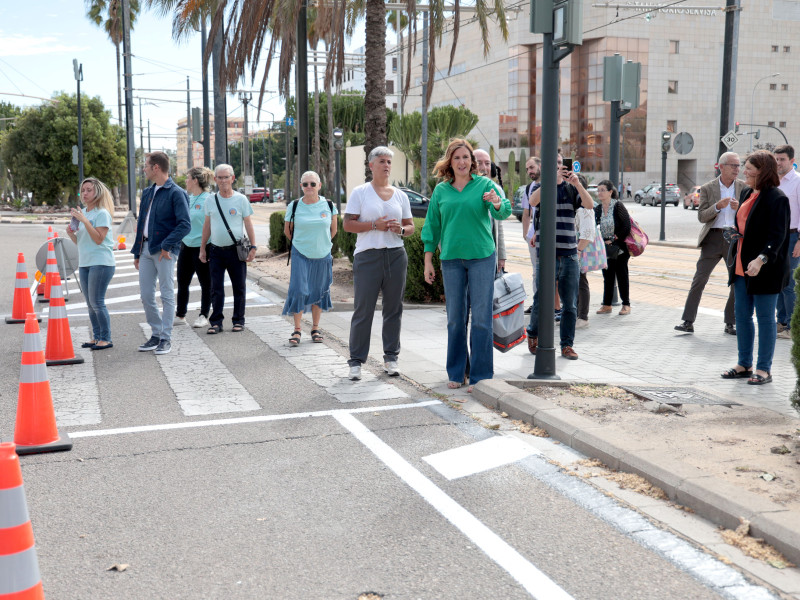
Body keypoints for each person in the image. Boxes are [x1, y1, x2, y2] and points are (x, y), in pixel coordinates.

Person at [422, 139, 510, 391]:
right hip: (451, 260)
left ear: (473, 161)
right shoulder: (441, 191)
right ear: (450, 162)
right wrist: (428, 259)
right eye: (457, 157)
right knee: (455, 319)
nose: (462, 162)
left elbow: (503, 212)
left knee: (481, 319)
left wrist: (495, 202)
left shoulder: (485, 185)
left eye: (466, 157)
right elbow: (432, 227)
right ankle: (457, 371)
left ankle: (481, 376)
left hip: (482, 257)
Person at [344, 147, 414, 380]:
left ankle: (391, 358)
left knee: (393, 310)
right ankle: (356, 361)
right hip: (368, 257)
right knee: (363, 310)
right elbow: (348, 225)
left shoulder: (401, 195)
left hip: (395, 255)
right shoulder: (360, 192)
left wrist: (400, 229)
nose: (386, 165)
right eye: (381, 161)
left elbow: (410, 226)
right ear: (371, 165)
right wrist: (375, 225)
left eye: (389, 162)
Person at [722, 150, 789, 385]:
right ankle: (744, 364)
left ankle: (763, 369)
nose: (744, 172)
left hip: (764, 268)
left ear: (763, 171)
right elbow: (747, 224)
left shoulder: (777, 198)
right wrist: (735, 232)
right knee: (741, 316)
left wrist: (761, 259)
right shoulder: (749, 192)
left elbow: (778, 236)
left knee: (765, 318)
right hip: (741, 266)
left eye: (749, 168)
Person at [526, 154, 594, 359]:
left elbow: (590, 205)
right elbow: (532, 201)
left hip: (569, 254)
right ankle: (533, 334)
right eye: (552, 163)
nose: (557, 167)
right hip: (546, 255)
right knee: (541, 300)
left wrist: (577, 184)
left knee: (570, 303)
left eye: (559, 163)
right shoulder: (541, 188)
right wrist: (548, 181)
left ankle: (566, 344)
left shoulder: (571, 189)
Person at [674, 152, 743, 335]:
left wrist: (740, 209)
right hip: (712, 238)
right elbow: (701, 216)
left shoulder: (744, 187)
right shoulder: (707, 188)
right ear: (721, 167)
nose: (737, 169)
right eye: (733, 165)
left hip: (734, 239)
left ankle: (731, 323)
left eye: (738, 165)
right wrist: (717, 207)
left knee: (736, 282)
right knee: (699, 280)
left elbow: (749, 216)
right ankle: (688, 321)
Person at [131, 151, 191, 355]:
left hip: (164, 251)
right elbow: (142, 224)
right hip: (146, 248)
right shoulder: (148, 192)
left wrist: (167, 246)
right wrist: (137, 252)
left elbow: (185, 224)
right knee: (146, 295)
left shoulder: (176, 192)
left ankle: (166, 338)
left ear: (156, 167)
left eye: (146, 165)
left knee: (166, 294)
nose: (144, 169)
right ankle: (156, 333)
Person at [199, 164, 257, 334]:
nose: (223, 181)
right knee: (216, 288)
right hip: (216, 250)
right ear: (215, 179)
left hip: (235, 250)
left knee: (239, 287)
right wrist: (203, 248)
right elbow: (207, 226)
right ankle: (216, 322)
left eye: (226, 177)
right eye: (220, 177)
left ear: (232, 178)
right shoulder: (210, 200)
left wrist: (253, 246)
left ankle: (238, 320)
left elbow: (248, 223)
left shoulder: (241, 200)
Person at [282, 171, 338, 346]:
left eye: (313, 184)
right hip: (301, 254)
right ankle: (297, 329)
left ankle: (315, 328)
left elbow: (333, 230)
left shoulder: (329, 205)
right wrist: (301, 244)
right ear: (301, 186)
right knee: (298, 290)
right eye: (305, 184)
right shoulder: (295, 205)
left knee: (318, 292)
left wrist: (321, 244)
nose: (309, 187)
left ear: (319, 186)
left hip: (323, 255)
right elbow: (287, 230)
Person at [66, 178, 116, 350]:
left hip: (101, 262)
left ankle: (106, 338)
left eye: (89, 190)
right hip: (86, 262)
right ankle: (97, 337)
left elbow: (98, 239)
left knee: (97, 302)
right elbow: (80, 242)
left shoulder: (102, 213)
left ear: (97, 193)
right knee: (90, 304)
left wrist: (85, 221)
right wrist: (70, 232)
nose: (85, 194)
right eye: (83, 190)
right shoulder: (84, 213)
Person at [175, 166, 214, 329]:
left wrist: (204, 247)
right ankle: (180, 315)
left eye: (188, 178)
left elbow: (210, 224)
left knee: (206, 283)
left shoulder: (209, 199)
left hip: (203, 246)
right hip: (186, 245)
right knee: (182, 282)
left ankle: (204, 315)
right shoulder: (188, 198)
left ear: (195, 180)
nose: (186, 181)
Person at [594, 180, 632, 316]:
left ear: (610, 192)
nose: (600, 193)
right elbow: (594, 226)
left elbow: (626, 226)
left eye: (603, 190)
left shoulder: (618, 206)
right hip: (606, 248)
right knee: (608, 277)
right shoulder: (597, 209)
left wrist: (614, 238)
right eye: (598, 190)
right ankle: (607, 304)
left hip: (620, 248)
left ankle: (626, 304)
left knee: (622, 275)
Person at [774, 145, 800, 339]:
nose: (778, 163)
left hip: (792, 237)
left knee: (789, 283)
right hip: (777, 237)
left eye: (782, 159)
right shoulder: (774, 182)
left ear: (792, 160)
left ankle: (792, 325)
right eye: (776, 159)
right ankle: (781, 322)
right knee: (777, 282)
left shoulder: (798, 182)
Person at [473, 149, 507, 272]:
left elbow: (499, 226)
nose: (484, 167)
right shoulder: (458, 189)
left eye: (487, 163)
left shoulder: (496, 190)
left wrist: (502, 256)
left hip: (488, 256)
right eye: (479, 163)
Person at [575, 174, 596, 329]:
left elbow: (588, 233)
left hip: (580, 249)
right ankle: (578, 314)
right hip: (576, 248)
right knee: (575, 283)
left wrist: (578, 249)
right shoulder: (577, 206)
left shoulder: (585, 208)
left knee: (581, 282)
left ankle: (583, 316)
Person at [521, 157, 541, 314]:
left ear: (541, 166)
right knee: (536, 271)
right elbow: (526, 213)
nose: (530, 171)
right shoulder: (529, 188)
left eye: (532, 167)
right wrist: (526, 233)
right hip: (532, 238)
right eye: (527, 169)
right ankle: (537, 302)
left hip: (547, 236)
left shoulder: (551, 183)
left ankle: (554, 304)